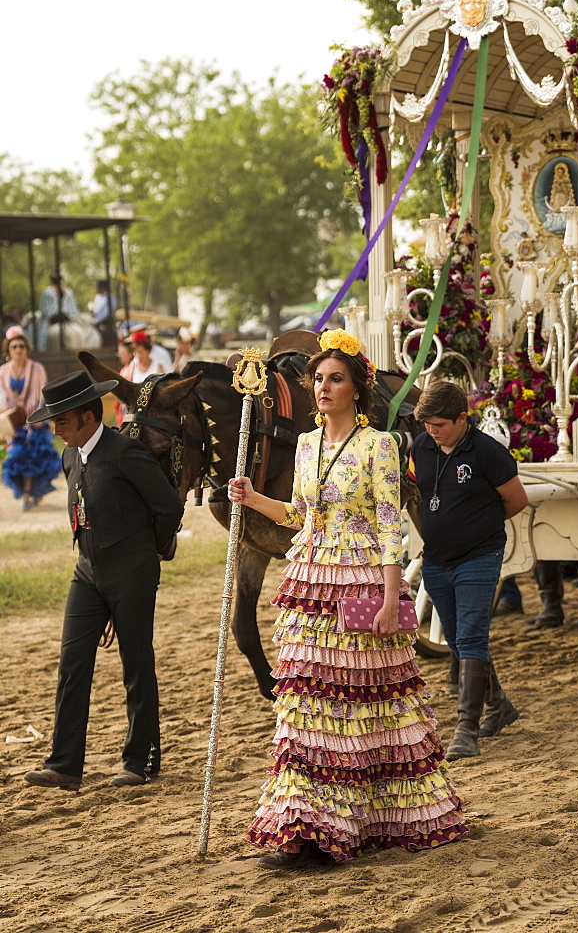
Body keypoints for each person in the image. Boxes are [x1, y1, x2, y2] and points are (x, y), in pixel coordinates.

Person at [227, 329, 467, 868]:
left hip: (360, 580)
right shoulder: (307, 445)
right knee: (310, 701)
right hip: (310, 581)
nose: (323, 387)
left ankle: (368, 820)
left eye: (335, 379)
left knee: (364, 704)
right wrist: (252, 497)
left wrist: (389, 598)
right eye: (317, 379)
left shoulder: (379, 446)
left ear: (357, 388)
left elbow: (390, 527)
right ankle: (307, 825)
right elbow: (300, 514)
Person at [24, 371, 183, 791]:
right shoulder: (70, 456)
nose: (55, 429)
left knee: (136, 663)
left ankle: (140, 761)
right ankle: (64, 765)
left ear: (88, 417)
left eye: (61, 420)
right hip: (87, 571)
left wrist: (149, 553)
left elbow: (168, 506)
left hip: (131, 570)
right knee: (72, 664)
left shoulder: (126, 453)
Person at [408, 381, 528, 761]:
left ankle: (466, 729)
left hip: (480, 556)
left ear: (463, 418)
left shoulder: (489, 452)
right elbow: (419, 492)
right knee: (458, 640)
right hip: (437, 559)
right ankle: (500, 706)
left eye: (439, 424)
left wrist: (480, 525)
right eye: (426, 424)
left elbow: (516, 500)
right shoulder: (420, 447)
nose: (432, 430)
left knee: (473, 639)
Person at [0, 327, 61, 510]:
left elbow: (43, 393)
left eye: (21, 346)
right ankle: (28, 494)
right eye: (14, 347)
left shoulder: (37, 368)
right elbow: (1, 396)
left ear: (26, 349)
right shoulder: (2, 371)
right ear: (9, 350)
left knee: (36, 459)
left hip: (35, 420)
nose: (18, 350)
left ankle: (28, 495)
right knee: (17, 457)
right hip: (14, 423)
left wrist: (40, 414)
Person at [37, 270, 79, 350]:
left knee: (40, 335)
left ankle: (40, 351)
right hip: (66, 319)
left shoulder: (47, 291)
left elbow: (43, 310)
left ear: (51, 279)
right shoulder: (69, 291)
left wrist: (53, 316)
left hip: (51, 320)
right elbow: (73, 310)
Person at [89, 279, 118, 345]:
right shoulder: (97, 297)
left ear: (103, 289)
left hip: (106, 322)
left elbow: (106, 313)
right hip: (96, 321)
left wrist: (95, 321)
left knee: (107, 334)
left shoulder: (111, 298)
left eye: (98, 288)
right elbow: (96, 309)